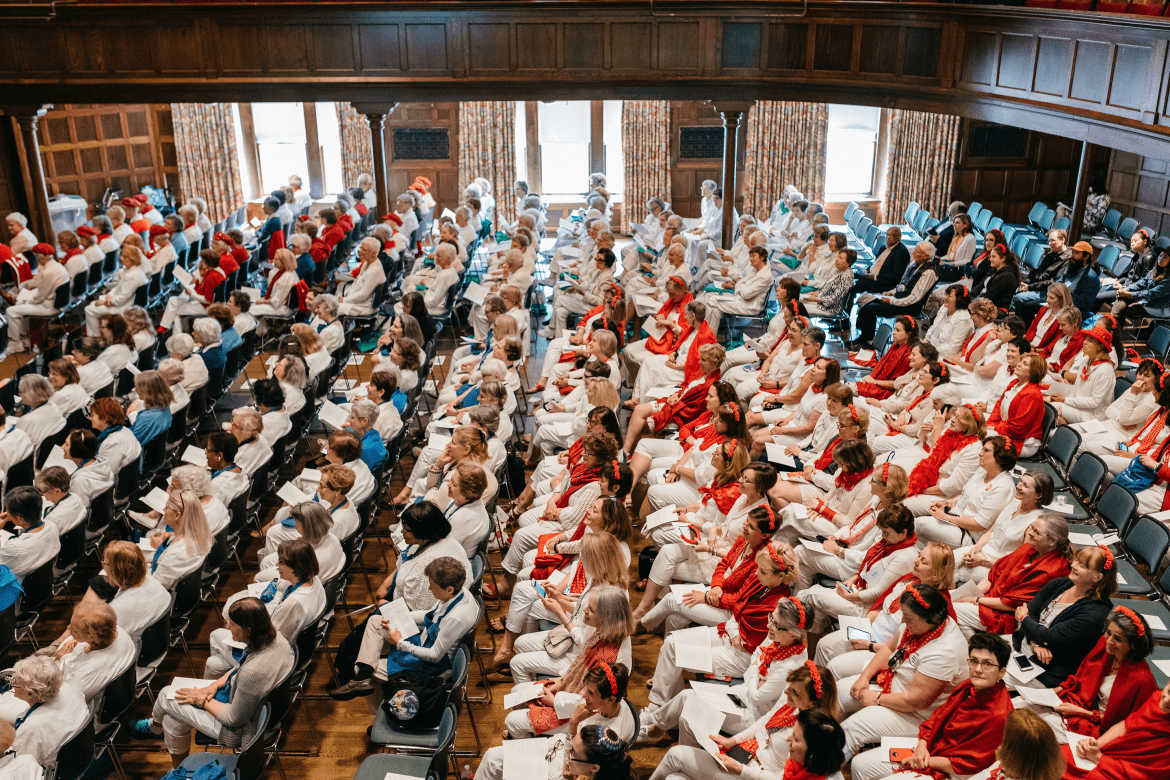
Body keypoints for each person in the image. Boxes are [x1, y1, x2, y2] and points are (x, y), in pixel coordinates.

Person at [132, 598, 295, 767]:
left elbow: (233, 719)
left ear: (247, 630)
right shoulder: (276, 638)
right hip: (255, 711)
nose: (227, 627)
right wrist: (213, 685)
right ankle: (176, 766)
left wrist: (200, 699)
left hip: (243, 730)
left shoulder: (253, 673)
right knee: (175, 713)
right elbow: (240, 666)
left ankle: (155, 728)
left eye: (232, 624)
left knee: (168, 695)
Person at [848, 632, 1014, 780]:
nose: (978, 669)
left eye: (987, 664)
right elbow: (937, 717)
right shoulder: (968, 686)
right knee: (859, 764)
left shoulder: (1000, 716)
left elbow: (969, 764)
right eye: (974, 661)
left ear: (1002, 671)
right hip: (931, 747)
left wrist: (924, 760)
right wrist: (921, 746)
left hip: (950, 770)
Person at [836, 583, 969, 759]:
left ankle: (820, 772)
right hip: (894, 683)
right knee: (838, 692)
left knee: (852, 730)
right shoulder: (921, 623)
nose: (903, 621)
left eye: (908, 617)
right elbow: (891, 648)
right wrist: (865, 676)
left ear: (928, 618)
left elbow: (916, 702)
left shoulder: (945, 651)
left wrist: (877, 699)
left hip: (917, 715)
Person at [328, 556, 476, 700]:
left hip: (432, 668)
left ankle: (382, 710)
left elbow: (434, 656)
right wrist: (398, 616)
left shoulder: (456, 617)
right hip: (425, 640)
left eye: (433, 585)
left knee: (363, 668)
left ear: (449, 589)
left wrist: (401, 644)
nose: (430, 588)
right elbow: (431, 616)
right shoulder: (460, 593)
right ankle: (362, 681)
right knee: (375, 621)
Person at [1024, 605, 1156, 744]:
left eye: (1118, 639)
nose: (1110, 641)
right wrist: (1048, 693)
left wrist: (1081, 713)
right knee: (1020, 704)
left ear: (1134, 644)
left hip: (1096, 727)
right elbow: (1079, 679)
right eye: (1108, 632)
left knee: (1029, 728)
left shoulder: (1142, 680)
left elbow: (1128, 724)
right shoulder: (1104, 645)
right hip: (1076, 705)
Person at [208, 539, 326, 677]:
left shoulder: (292, 605)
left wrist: (238, 627)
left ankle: (244, 683)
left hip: (274, 662)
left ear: (295, 567)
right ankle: (231, 685)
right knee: (213, 664)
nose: (277, 565)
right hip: (294, 651)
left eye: (281, 562)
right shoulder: (314, 581)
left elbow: (268, 641)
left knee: (216, 635)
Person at [1010, 546, 1117, 689]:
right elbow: (1032, 610)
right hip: (1023, 644)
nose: (1073, 566)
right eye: (1076, 561)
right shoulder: (1061, 583)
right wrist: (1036, 642)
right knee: (976, 653)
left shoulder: (1095, 613)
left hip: (1045, 670)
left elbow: (1048, 636)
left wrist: (1024, 618)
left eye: (1082, 566)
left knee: (987, 676)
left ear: (1097, 577)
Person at [953, 513, 1072, 638]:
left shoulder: (1052, 569)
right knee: (947, 599)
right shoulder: (1030, 547)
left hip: (1007, 614)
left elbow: (1012, 604)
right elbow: (996, 573)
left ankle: (977, 646)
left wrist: (975, 600)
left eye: (1037, 532)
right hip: (993, 599)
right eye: (1031, 527)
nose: (1030, 533)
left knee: (951, 609)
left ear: (1053, 541)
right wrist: (974, 593)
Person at [1059, 679, 1170, 780]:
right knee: (1064, 754)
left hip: (1125, 771)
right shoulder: (1156, 698)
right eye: (1169, 691)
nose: (1167, 701)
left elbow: (1148, 774)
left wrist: (1099, 759)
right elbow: (1125, 725)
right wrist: (1095, 745)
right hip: (1113, 754)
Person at [4, 656, 88, 767]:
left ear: (31, 693)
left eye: (15, 683)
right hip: (78, 749)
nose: (12, 684)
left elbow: (22, 766)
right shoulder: (69, 689)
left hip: (49, 769)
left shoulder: (33, 728)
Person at [147, 490, 214, 589]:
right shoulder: (200, 534)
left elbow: (156, 587)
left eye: (167, 507)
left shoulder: (175, 554)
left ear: (177, 515)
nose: (163, 509)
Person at [0, 487, 60, 582]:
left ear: (20, 518)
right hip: (43, 585)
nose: (9, 517)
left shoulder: (13, 549)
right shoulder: (51, 526)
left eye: (9, 512)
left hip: (15, 590)